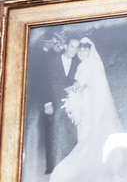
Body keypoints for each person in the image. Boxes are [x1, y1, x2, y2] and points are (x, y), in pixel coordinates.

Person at [49, 38, 127, 182]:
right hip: (87, 102)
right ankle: (91, 158)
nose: (81, 52)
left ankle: (98, 164)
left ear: (90, 51)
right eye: (79, 49)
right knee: (86, 132)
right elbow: (79, 81)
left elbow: (86, 83)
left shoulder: (92, 63)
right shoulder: (82, 64)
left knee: (92, 132)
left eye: (84, 50)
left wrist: (74, 88)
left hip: (94, 103)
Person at [29, 35, 79, 174]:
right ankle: (53, 166)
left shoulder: (78, 62)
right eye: (72, 46)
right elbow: (43, 81)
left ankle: (69, 165)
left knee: (69, 132)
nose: (74, 50)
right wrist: (47, 102)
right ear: (65, 46)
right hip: (53, 101)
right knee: (53, 133)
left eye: (76, 47)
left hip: (70, 103)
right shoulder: (51, 60)